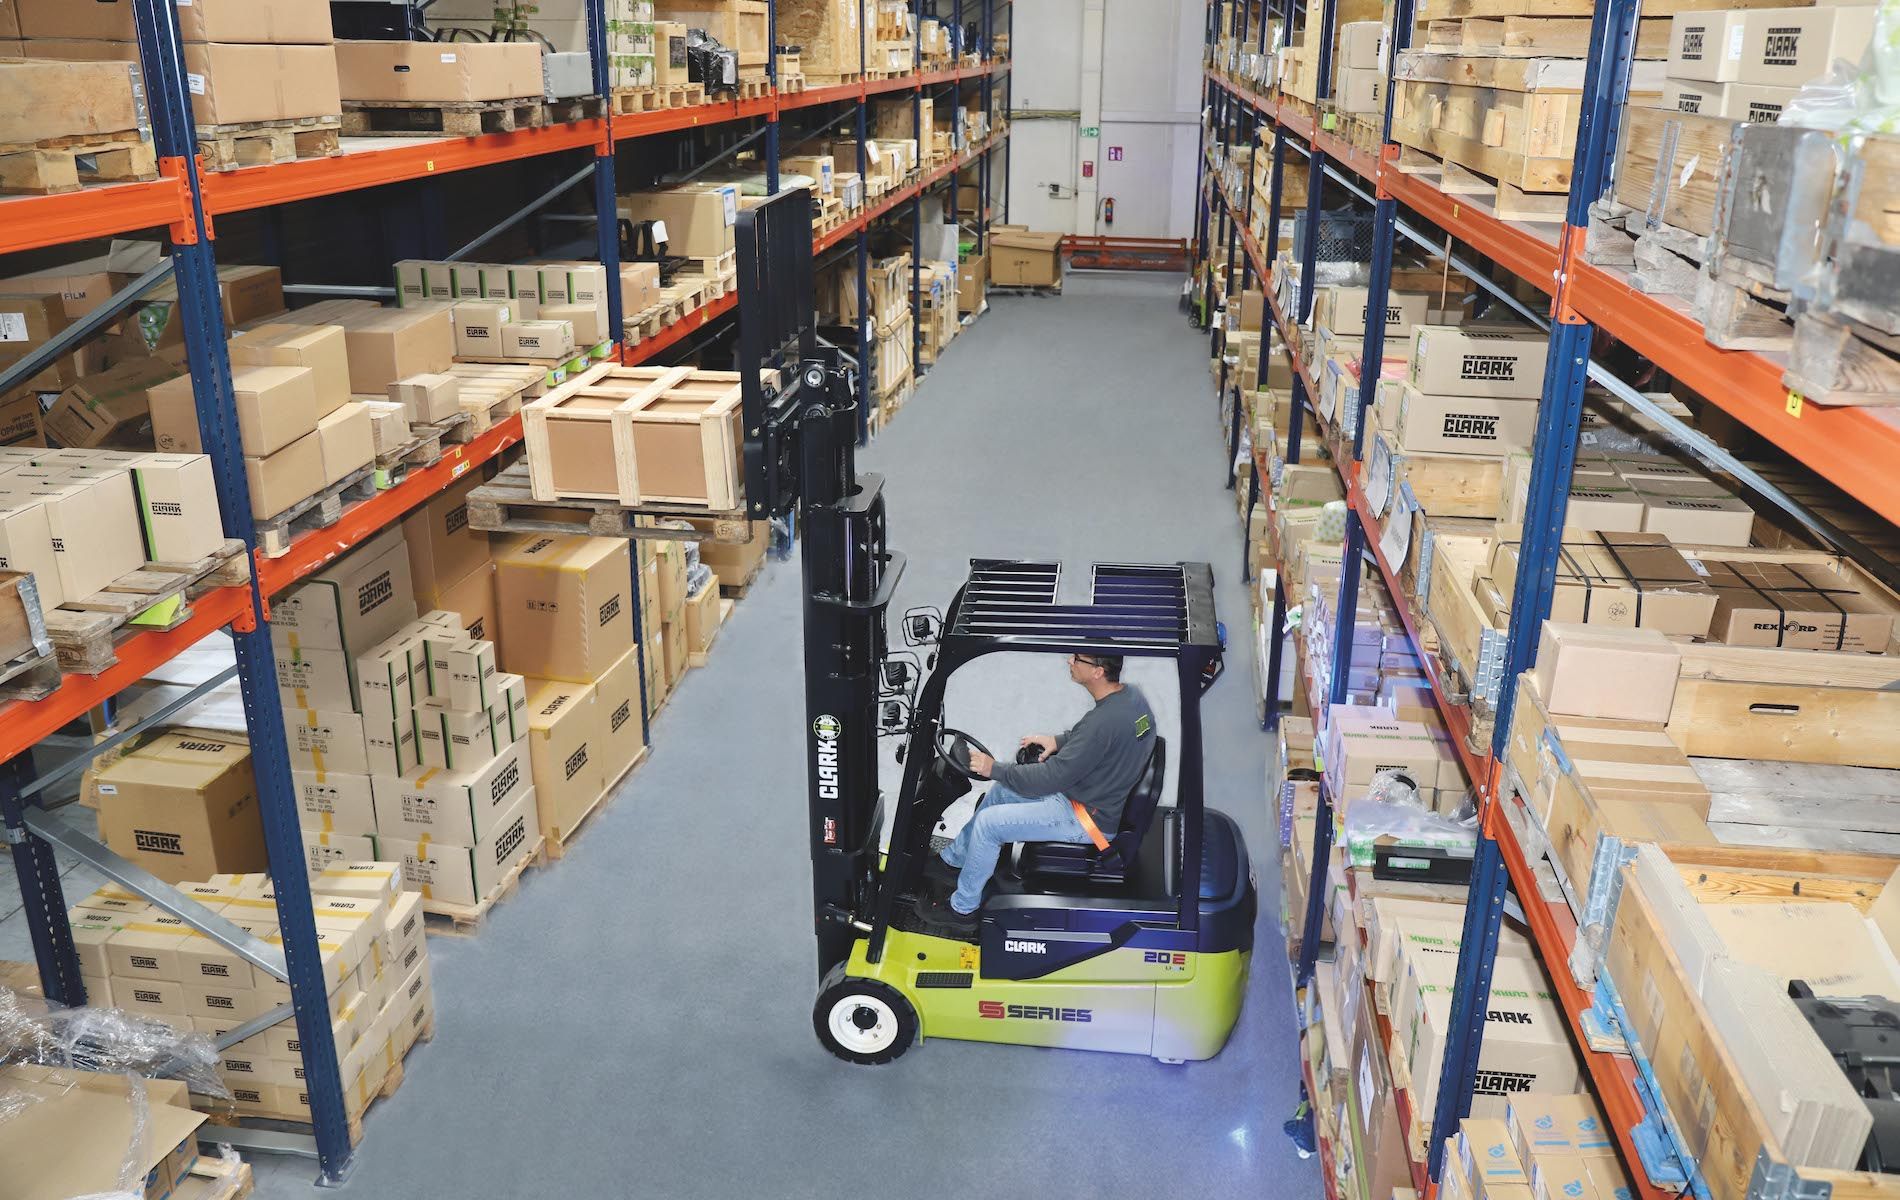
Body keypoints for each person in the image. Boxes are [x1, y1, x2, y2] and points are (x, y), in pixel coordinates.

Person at [920, 652, 1157, 935]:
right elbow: (1100, 738)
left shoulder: (1103, 722)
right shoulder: (1131, 699)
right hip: (1090, 798)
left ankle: (962, 910)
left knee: (989, 825)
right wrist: (1058, 741)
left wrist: (993, 768)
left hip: (1087, 818)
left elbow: (1050, 778)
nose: (1069, 661)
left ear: (1098, 671)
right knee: (1002, 792)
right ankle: (955, 861)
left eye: (1078, 659)